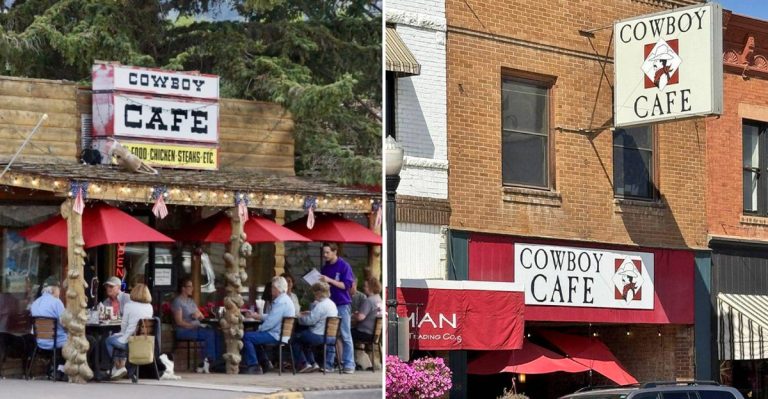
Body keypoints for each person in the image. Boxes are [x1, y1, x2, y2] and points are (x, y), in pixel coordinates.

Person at [241, 276, 295, 374]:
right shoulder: (285, 300)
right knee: (254, 337)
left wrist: (260, 329)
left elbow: (271, 322)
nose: (271, 290)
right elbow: (272, 316)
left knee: (247, 336)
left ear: (277, 289)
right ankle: (265, 363)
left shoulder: (281, 302)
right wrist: (258, 316)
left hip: (276, 335)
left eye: (272, 287)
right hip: (280, 334)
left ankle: (253, 366)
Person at [319, 242, 356, 373]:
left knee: (345, 334)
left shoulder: (344, 266)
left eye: (327, 252)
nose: (325, 255)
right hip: (329, 304)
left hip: (342, 303)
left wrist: (329, 280)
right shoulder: (325, 268)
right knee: (330, 334)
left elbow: (346, 286)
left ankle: (349, 364)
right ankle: (329, 363)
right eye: (324, 252)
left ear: (335, 252)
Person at [105, 283, 153, 379]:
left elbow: (124, 326)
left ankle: (119, 366)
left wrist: (118, 334)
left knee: (109, 340)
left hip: (130, 342)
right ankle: (119, 367)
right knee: (119, 340)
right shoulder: (149, 307)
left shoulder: (129, 305)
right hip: (143, 342)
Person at [292, 281, 338, 373]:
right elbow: (320, 316)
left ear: (319, 293)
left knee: (294, 338)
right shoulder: (332, 304)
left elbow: (310, 321)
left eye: (314, 292)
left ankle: (304, 363)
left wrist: (299, 317)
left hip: (319, 336)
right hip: (330, 336)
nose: (313, 295)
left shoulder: (320, 305)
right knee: (304, 339)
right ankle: (313, 363)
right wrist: (310, 313)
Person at [172, 277, 219, 364]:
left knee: (216, 332)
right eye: (189, 287)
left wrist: (198, 316)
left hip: (195, 328)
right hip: (184, 330)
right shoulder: (178, 302)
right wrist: (194, 325)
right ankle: (209, 361)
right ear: (183, 288)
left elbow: (201, 316)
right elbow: (179, 322)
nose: (192, 289)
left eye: (192, 286)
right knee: (209, 334)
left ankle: (216, 361)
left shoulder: (191, 301)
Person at [29, 278, 67, 379]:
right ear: (54, 290)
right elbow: (65, 323)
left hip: (39, 341)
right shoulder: (57, 302)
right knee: (77, 340)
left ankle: (58, 369)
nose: (59, 291)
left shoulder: (35, 303)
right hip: (56, 341)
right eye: (59, 289)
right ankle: (61, 370)